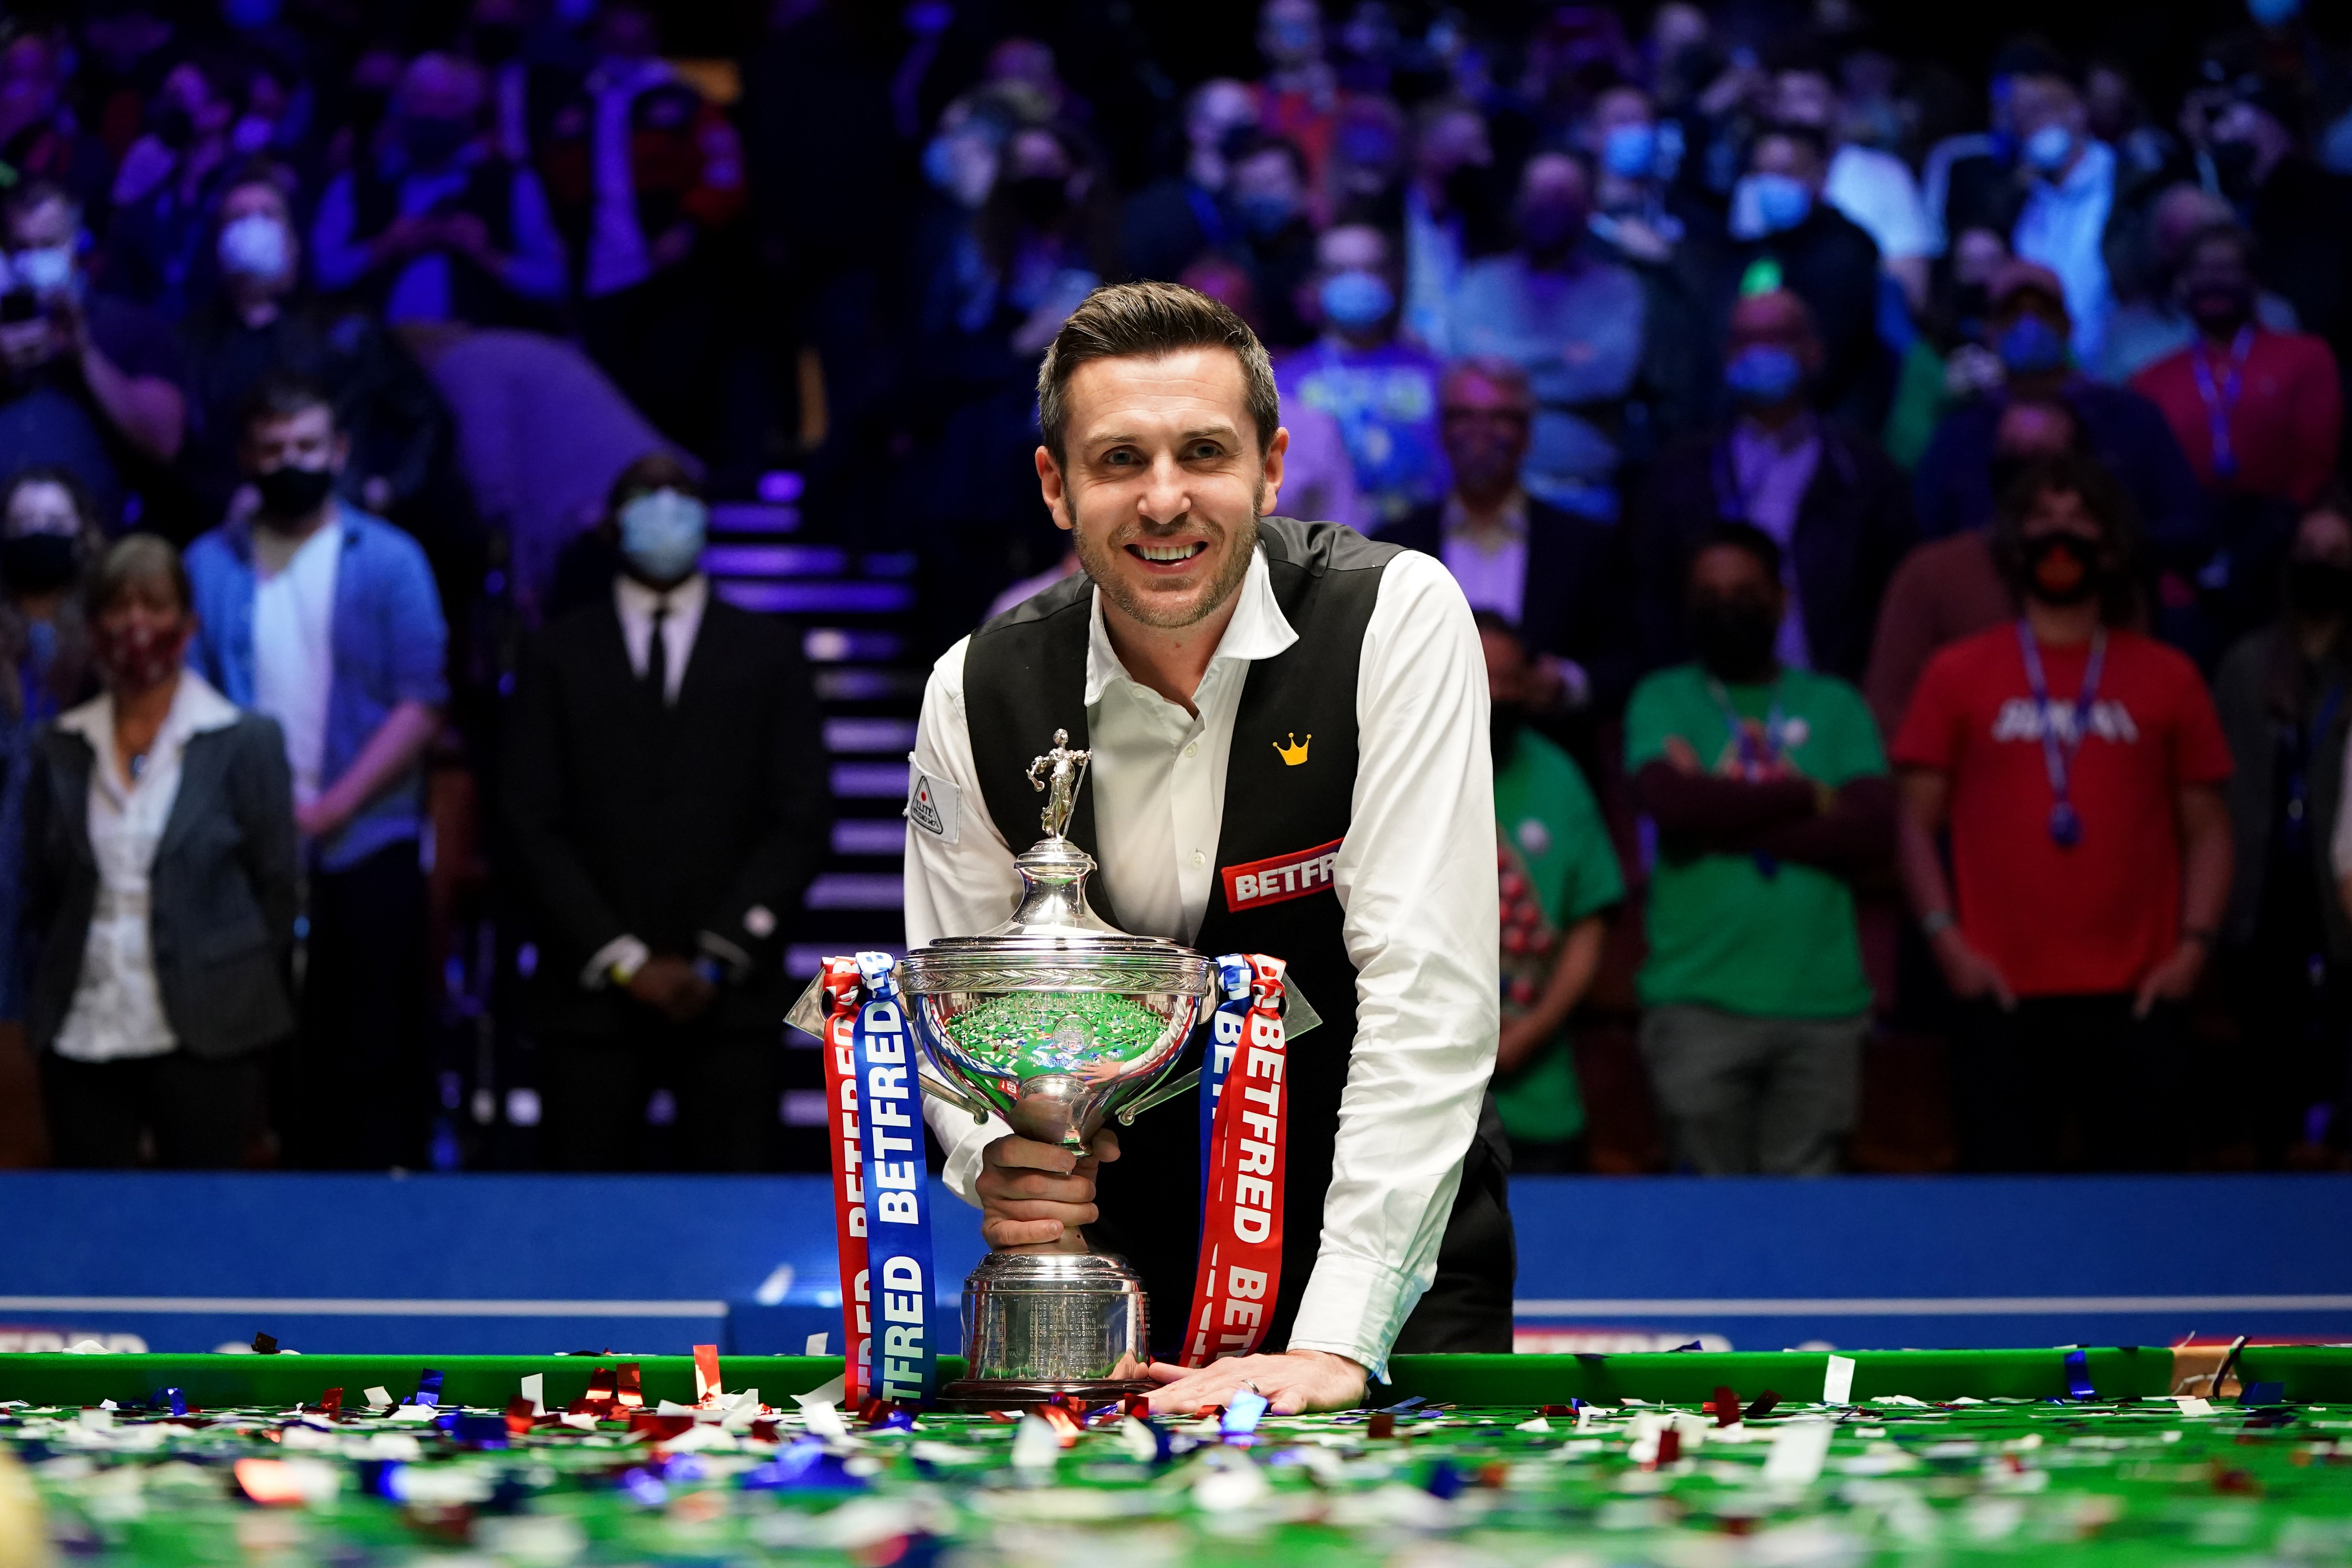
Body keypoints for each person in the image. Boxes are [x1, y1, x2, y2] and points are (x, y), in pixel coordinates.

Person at [905, 280, 1505, 1415]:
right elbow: (966, 1006)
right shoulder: (974, 688)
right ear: (1056, 486)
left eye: (1203, 452)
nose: (1165, 499)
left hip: (1386, 1255)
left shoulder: (1395, 617)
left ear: (1271, 467)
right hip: (1118, 1271)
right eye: (1120, 459)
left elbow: (1429, 993)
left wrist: (1336, 1336)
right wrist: (1002, 1155)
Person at [1892, 454, 2233, 1171]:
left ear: (2111, 548)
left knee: (2146, 1223)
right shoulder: (1955, 672)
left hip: (2137, 996)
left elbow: (2208, 828)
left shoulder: (2167, 676)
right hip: (2000, 994)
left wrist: (2193, 949)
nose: (2060, 538)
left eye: (2080, 522)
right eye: (2042, 521)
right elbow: (1913, 823)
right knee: (2005, 1229)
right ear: (2012, 544)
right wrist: (1947, 943)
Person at [502, 455, 829, 1171]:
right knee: (582, 1214)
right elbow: (528, 817)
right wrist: (620, 956)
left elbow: (802, 815)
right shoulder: (556, 651)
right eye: (646, 496)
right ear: (615, 520)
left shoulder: (769, 651)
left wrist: (718, 949)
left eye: (680, 494)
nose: (665, 510)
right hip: (587, 997)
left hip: (730, 998)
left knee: (733, 1214)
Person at [183, 373, 449, 1170]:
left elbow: (421, 699)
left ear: (338, 451)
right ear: (247, 456)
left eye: (305, 446)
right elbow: (193, 698)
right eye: (273, 449)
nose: (289, 461)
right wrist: (263, 812)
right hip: (242, 844)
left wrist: (332, 806)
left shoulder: (391, 559)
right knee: (260, 1056)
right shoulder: (210, 563)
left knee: (368, 1048)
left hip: (367, 835)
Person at [1625, 521, 1894, 1176]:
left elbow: (1867, 830)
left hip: (1821, 1005)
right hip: (1697, 1004)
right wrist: (1807, 794)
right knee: (1706, 1227)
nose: (1726, 606)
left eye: (1744, 590)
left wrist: (1719, 807)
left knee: (1810, 1231)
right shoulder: (1661, 698)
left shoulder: (1833, 704)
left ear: (1781, 598)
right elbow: (1673, 806)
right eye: (1708, 593)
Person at [22, 534, 297, 1167]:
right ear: (92, 627)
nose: (135, 624)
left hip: (210, 1029)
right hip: (85, 1025)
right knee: (91, 1229)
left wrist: (229, 979)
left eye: (154, 604)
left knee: (201, 1227)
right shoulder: (59, 745)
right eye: (118, 607)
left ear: (188, 623)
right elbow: (40, 890)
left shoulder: (243, 740)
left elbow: (277, 887)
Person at [1632, 290, 1913, 685]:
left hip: (1832, 696)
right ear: (1728, 355)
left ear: (1813, 352)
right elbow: (1654, 602)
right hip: (1704, 702)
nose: (1761, 352)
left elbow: (1891, 599)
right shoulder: (1678, 474)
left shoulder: (1864, 472)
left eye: (1778, 337)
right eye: (1747, 340)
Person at [180, 167, 456, 536]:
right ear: (217, 243)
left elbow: (429, 420)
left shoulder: (347, 333)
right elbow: (175, 452)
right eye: (237, 218)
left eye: (267, 216)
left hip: (338, 531)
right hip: (235, 541)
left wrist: (387, 490)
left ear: (294, 239)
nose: (252, 229)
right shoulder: (189, 343)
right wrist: (225, 497)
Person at [538, 1, 747, 447]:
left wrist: (690, 224)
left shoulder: (684, 99)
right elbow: (548, 185)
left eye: (635, 14)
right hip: (594, 274)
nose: (624, 24)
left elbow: (725, 173)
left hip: (672, 272)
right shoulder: (573, 104)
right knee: (607, 397)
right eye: (616, 14)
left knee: (678, 389)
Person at [1912, 261, 2208, 574]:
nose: (2030, 325)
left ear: (2068, 324)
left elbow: (2188, 525)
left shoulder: (2130, 418)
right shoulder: (1960, 435)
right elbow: (1927, 537)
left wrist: (2108, 552)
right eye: (2012, 314)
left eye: (2045, 311)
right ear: (1990, 329)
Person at [2222, 493, 2352, 1166]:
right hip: (2264, 890)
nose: (2319, 566)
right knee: (2266, 1069)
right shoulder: (2246, 668)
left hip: (2345, 893)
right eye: (2307, 553)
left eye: (2336, 555)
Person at [1385, 358, 1626, 712]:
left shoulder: (1586, 545)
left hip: (1546, 748)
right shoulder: (1393, 546)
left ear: (1528, 434)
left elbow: (1623, 659)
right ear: (1441, 431)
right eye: (1463, 416)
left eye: (1500, 417)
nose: (1480, 432)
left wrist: (1565, 682)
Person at [1481, 613, 1622, 1173]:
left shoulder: (1558, 776)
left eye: (1507, 680)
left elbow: (1590, 923)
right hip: (1415, 1107)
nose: (1492, 695)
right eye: (1478, 674)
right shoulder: (1384, 764)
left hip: (1538, 1104)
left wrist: (1529, 1034)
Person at [1447, 151, 1646, 520]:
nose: (1548, 204)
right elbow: (1468, 370)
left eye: (1561, 193)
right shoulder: (1483, 281)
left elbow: (1609, 378)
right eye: (1537, 191)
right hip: (1487, 492)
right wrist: (1563, 355)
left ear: (1589, 205)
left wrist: (1505, 362)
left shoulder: (1618, 288)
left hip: (1581, 490)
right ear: (1519, 200)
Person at [1864, 398, 2079, 736]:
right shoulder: (1932, 573)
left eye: (2043, 457)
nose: (2028, 475)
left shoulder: (2110, 572)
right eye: (2014, 453)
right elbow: (1888, 705)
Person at [308, 53, 568, 331]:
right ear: (400, 106)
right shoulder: (355, 184)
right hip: (374, 352)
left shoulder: (511, 182)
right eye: (421, 99)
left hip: (483, 349)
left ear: (470, 115)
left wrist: (488, 256)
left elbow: (554, 281)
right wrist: (383, 247)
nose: (431, 113)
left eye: (447, 103)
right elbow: (320, 273)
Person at [0, 180, 185, 532]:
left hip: (100, 547)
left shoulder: (129, 325)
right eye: (20, 247)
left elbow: (165, 441)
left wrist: (85, 356)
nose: (32, 259)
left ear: (76, 243)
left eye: (47, 245)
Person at [0, 469, 106, 1049]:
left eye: (52, 523)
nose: (37, 535)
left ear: (82, 533)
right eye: (22, 524)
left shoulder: (109, 635)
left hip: (86, 856)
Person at [2132, 224, 2341, 508]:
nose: (2213, 282)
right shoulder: (2151, 381)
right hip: (2185, 531)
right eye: (2200, 271)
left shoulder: (2305, 358)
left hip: (2289, 522)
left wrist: (2287, 519)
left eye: (2227, 269)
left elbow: (2317, 460)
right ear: (2180, 284)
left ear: (2255, 281)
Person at [1716, 122, 1887, 430]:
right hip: (1753, 426)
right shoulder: (1758, 249)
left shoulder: (1846, 252)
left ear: (1819, 177)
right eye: (1762, 174)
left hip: (1825, 428)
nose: (1771, 185)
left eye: (1785, 173)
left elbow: (1827, 363)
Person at [1274, 224, 1447, 529]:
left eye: (1370, 268)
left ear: (1393, 278)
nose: (1356, 281)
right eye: (1339, 271)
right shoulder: (1284, 384)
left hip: (1423, 547)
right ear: (1316, 283)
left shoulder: (1437, 375)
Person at [1767, 45, 1933, 312]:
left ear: (1839, 102)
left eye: (1808, 98)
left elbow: (1911, 288)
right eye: (1784, 100)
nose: (1795, 114)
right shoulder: (1757, 182)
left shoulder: (1886, 176)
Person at [2097, 184, 2301, 385]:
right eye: (2176, 239)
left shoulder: (2276, 320)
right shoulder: (2127, 332)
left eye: (2222, 267)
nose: (2211, 278)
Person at [2005, 57, 2118, 369]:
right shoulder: (2024, 205)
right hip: (2055, 374)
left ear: (2078, 111)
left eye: (2043, 110)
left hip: (2120, 364)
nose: (2034, 126)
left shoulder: (2123, 182)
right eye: (2022, 118)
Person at [1120, 78, 1259, 285]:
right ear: (1197, 128)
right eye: (1234, 127)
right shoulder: (1155, 209)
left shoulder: (1260, 195)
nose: (1245, 138)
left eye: (1249, 126)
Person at [1399, 96, 1499, 352]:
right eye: (1469, 146)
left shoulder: (1494, 224)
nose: (1484, 159)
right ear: (1426, 149)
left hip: (1478, 356)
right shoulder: (1382, 217)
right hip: (1406, 355)